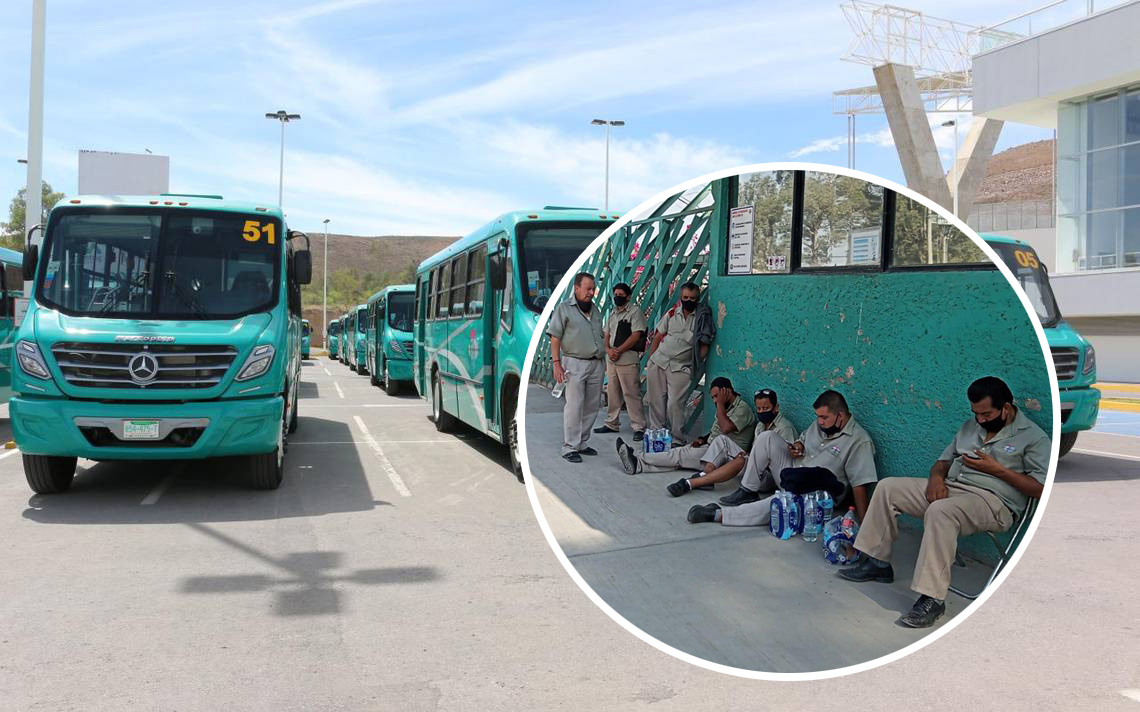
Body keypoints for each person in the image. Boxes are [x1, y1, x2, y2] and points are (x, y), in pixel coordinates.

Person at [838, 376, 1049, 629]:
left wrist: (997, 470)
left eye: (986, 414)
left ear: (1006, 408)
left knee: (940, 511)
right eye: (975, 413)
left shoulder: (1033, 438)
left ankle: (932, 599)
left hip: (993, 502)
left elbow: (1041, 488)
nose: (980, 420)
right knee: (888, 487)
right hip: (952, 489)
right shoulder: (970, 427)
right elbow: (942, 462)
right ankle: (876, 563)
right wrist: (936, 479)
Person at [687, 390, 878, 529]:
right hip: (793, 473)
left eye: (824, 418)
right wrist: (798, 446)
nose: (820, 422)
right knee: (766, 437)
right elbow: (802, 439)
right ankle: (748, 489)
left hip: (815, 494)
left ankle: (719, 514)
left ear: (841, 416)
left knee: (780, 505)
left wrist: (865, 529)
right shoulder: (821, 424)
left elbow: (859, 486)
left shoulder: (859, 441)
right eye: (817, 417)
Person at [664, 388, 798, 497]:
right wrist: (748, 454)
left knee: (741, 461)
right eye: (759, 409)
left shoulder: (784, 428)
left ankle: (693, 483)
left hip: (770, 479)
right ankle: (706, 473)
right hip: (756, 468)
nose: (761, 412)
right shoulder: (761, 426)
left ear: (776, 407)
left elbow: (783, 463)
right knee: (722, 440)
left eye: (766, 408)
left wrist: (749, 460)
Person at [615, 376, 754, 478]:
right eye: (713, 398)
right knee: (678, 458)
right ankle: (638, 465)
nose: (715, 401)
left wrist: (720, 405)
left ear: (727, 392)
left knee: (678, 455)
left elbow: (725, 429)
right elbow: (715, 431)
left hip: (727, 455)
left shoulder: (742, 408)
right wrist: (703, 439)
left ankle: (637, 456)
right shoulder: (723, 408)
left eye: (717, 396)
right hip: (711, 447)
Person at [546, 272, 606, 463]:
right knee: (574, 405)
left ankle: (581, 441)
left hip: (596, 363)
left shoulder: (595, 310)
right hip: (574, 363)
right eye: (587, 289)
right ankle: (569, 446)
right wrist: (557, 364)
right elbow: (555, 337)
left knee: (592, 405)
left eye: (593, 289)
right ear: (576, 288)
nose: (591, 292)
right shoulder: (564, 309)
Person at [644, 282, 714, 445]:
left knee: (675, 404)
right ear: (680, 298)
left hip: (681, 367)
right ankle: (658, 436)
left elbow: (704, 346)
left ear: (697, 299)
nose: (688, 300)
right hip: (659, 362)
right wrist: (651, 358)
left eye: (692, 298)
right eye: (685, 298)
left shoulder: (701, 318)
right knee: (655, 401)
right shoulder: (671, 314)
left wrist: (693, 365)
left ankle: (677, 439)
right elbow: (657, 336)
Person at [593, 283, 647, 441]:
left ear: (628, 296)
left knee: (631, 394)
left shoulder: (635, 312)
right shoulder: (613, 314)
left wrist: (619, 350)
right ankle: (611, 423)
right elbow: (606, 334)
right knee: (613, 392)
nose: (618, 297)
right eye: (615, 294)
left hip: (628, 360)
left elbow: (636, 335)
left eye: (621, 294)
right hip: (613, 360)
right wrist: (609, 350)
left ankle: (638, 427)